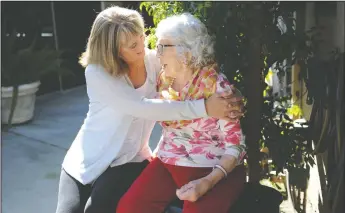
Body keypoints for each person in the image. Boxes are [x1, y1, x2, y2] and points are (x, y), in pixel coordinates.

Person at [55, 6, 244, 213]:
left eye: (141, 36)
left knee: (97, 209)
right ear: (114, 51)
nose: (143, 47)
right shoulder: (98, 73)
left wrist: (231, 98)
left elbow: (188, 65)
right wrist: (206, 107)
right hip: (88, 158)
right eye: (132, 45)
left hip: (129, 159)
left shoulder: (156, 62)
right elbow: (142, 108)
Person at [116, 13, 247, 213]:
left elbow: (236, 147)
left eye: (161, 47)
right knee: (129, 208)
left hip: (213, 169)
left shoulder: (216, 87)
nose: (156, 54)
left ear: (184, 52)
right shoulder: (162, 79)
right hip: (168, 161)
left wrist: (207, 183)